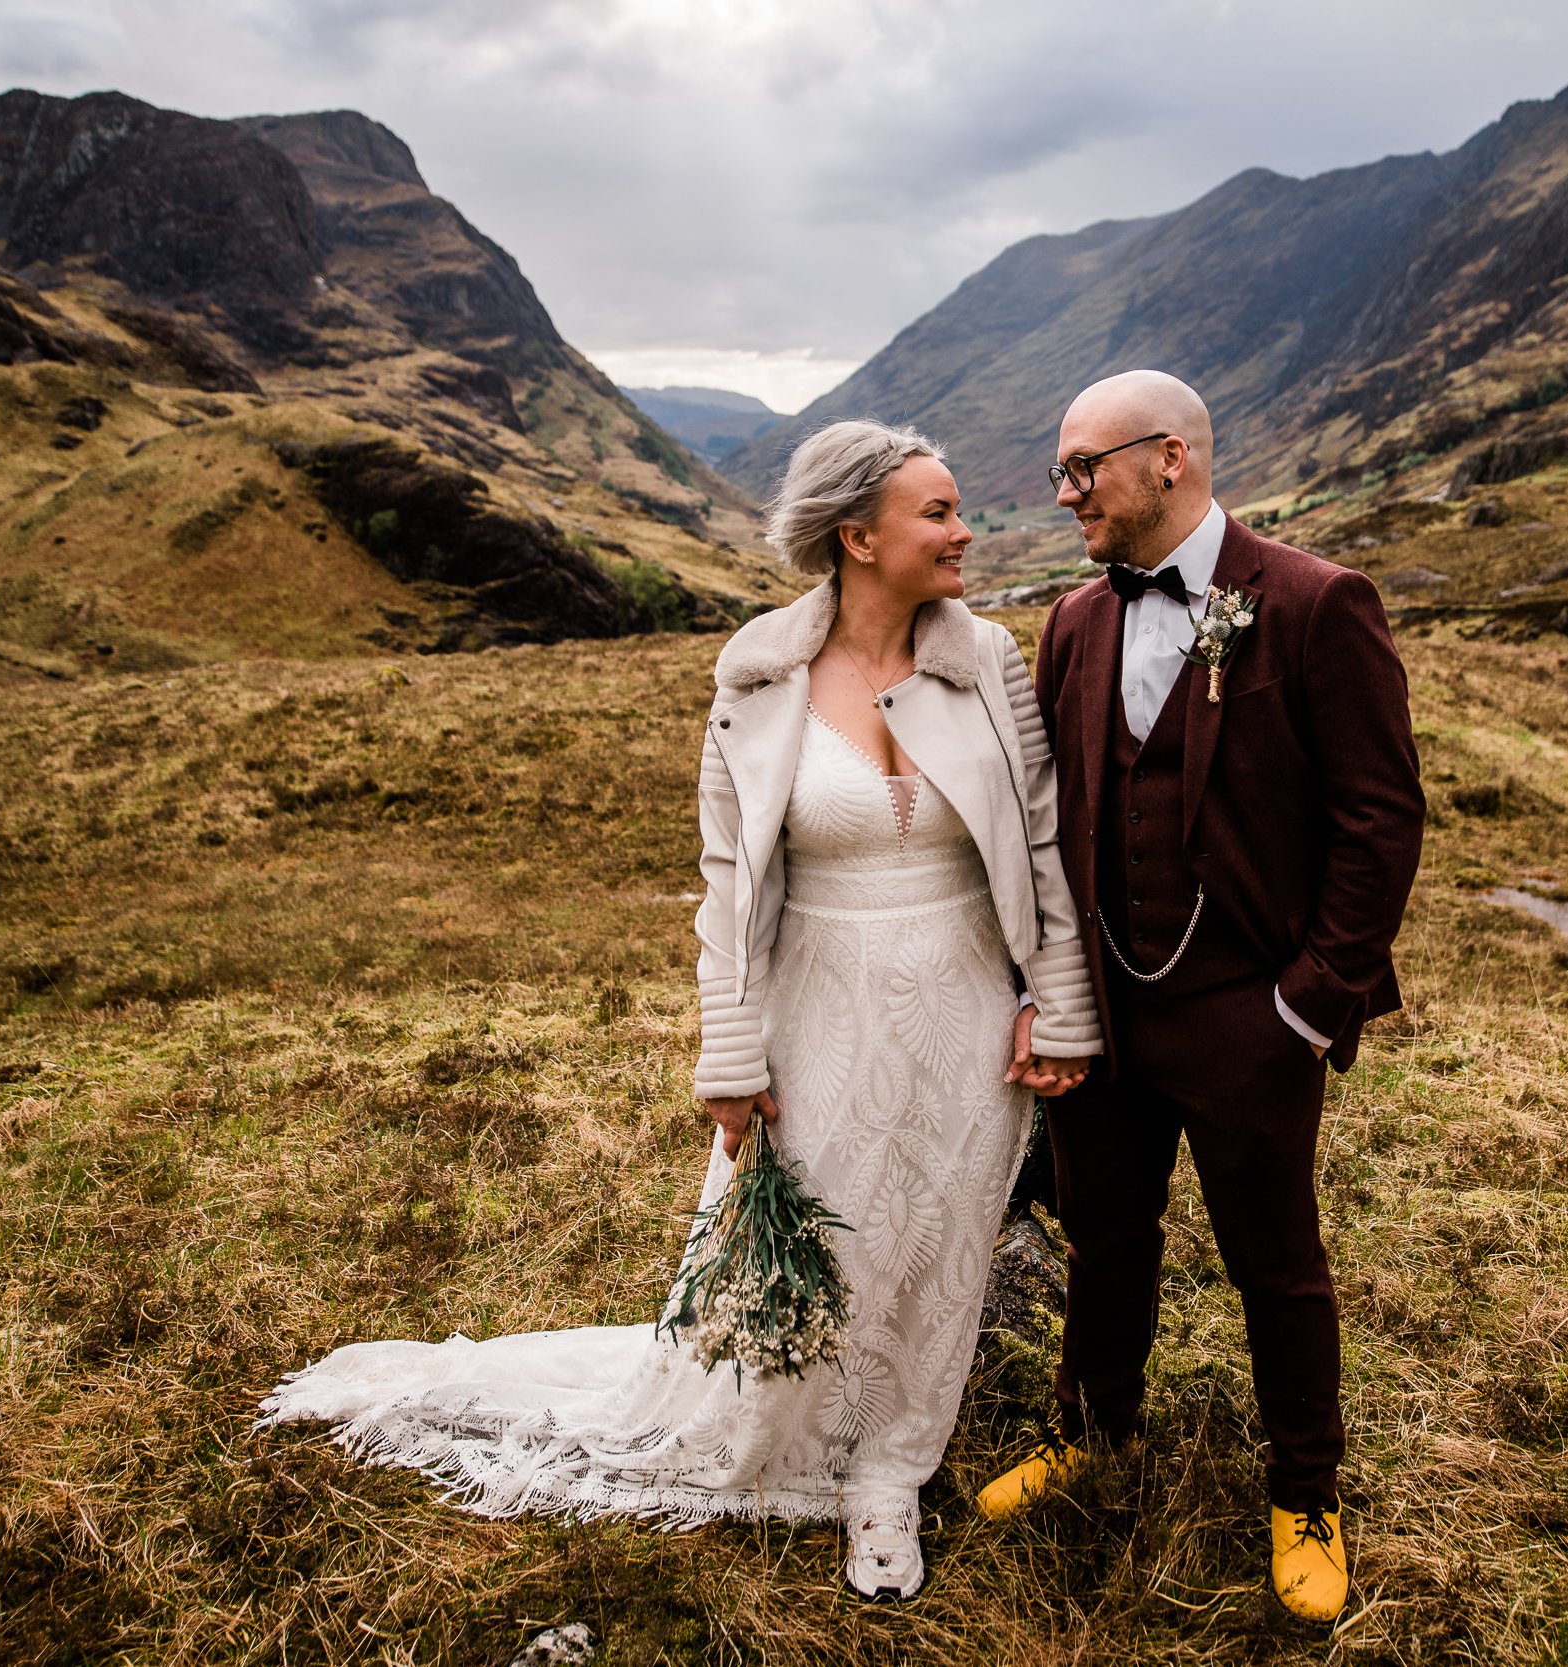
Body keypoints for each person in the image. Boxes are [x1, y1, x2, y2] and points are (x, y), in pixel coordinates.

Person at [260, 419, 1102, 1603]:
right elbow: (729, 881)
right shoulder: (756, 675)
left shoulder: (991, 663)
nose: (965, 531)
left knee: (942, 1245)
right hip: (820, 1002)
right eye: (938, 512)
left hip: (968, 1006)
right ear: (858, 536)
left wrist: (1054, 1003)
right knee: (820, 1238)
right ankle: (790, 1443)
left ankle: (889, 1475)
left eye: (959, 509)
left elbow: (1048, 839)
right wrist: (729, 1048)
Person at [970, 371, 1424, 1624]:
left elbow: (1379, 822)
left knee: (1275, 1264)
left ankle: (1306, 1495)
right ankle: (1089, 1431)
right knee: (1103, 1237)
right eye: (1061, 473)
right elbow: (1055, 812)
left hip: (1247, 1012)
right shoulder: (1070, 621)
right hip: (1104, 1008)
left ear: (1169, 458)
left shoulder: (1318, 603)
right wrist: (1047, 986)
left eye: (1081, 469)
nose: (1064, 493)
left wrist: (1304, 1006)